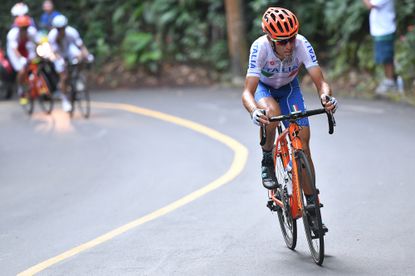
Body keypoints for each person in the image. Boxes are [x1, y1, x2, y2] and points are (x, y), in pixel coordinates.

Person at [242, 7, 337, 197]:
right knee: (272, 112)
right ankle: (268, 158)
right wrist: (254, 111)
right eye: (282, 41)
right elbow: (247, 92)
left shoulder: (301, 44)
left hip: (289, 89)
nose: (289, 45)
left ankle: (312, 203)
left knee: (303, 144)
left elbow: (321, 82)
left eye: (292, 38)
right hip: (264, 88)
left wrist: (326, 98)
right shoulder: (260, 47)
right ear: (270, 39)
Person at [48, 15, 93, 112]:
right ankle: (65, 100)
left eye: (63, 28)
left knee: (80, 58)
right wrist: (60, 60)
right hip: (59, 53)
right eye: (59, 29)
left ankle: (77, 77)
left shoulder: (71, 32)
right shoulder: (52, 36)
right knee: (64, 77)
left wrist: (87, 55)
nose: (61, 31)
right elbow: (54, 52)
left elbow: (81, 46)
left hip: (69, 49)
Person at [362, 0, 403, 95]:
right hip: (381, 30)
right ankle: (389, 80)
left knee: (387, 57)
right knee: (385, 58)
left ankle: (390, 82)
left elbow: (370, 5)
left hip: (385, 30)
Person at [6, 15, 38, 105]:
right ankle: (21, 90)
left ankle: (36, 86)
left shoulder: (32, 32)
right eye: (22, 28)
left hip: (26, 49)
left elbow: (38, 43)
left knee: (35, 64)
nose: (24, 30)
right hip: (15, 52)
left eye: (26, 27)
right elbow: (14, 50)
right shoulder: (12, 34)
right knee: (22, 70)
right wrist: (21, 58)